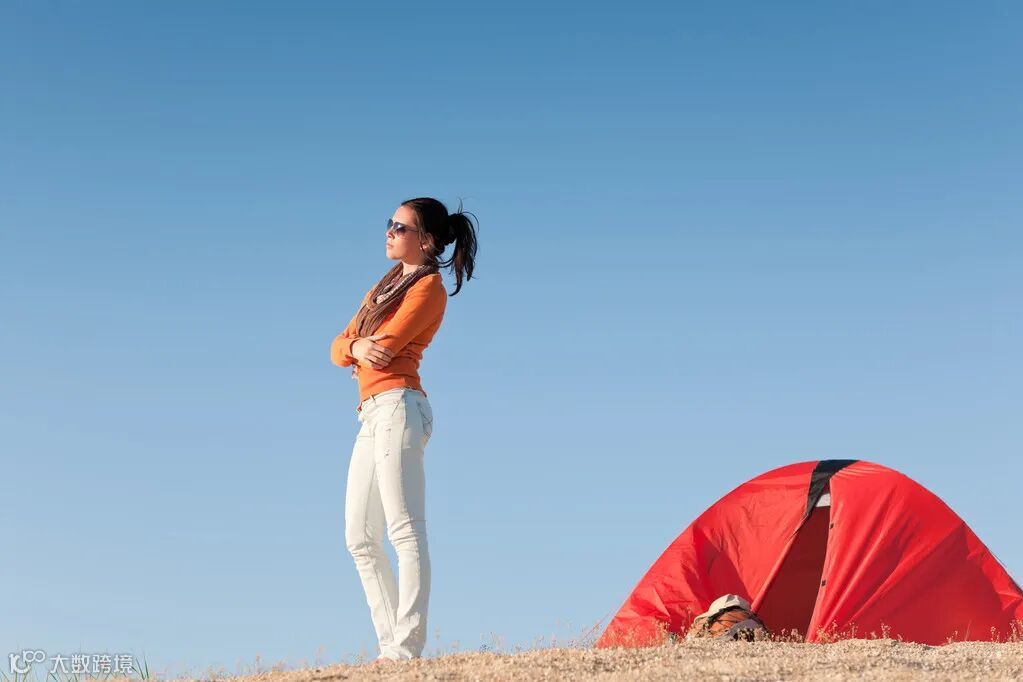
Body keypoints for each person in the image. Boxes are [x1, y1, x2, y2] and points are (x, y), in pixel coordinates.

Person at [329, 197, 478, 663]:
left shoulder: (428, 287)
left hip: (399, 406)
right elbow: (338, 348)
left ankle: (407, 646)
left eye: (400, 227)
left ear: (426, 240)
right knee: (359, 536)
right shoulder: (385, 286)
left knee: (405, 529)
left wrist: (359, 347)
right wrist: (356, 346)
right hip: (371, 413)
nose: (389, 231)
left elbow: (387, 349)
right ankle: (389, 645)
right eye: (390, 223)